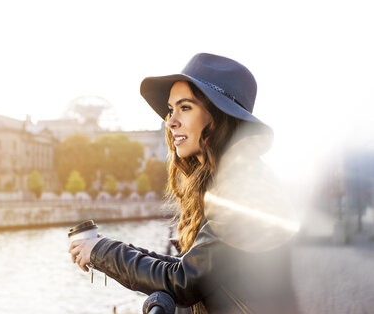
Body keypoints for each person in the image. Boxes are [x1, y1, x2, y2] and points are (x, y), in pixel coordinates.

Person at [69, 53, 300, 314]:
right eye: (171, 109)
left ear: (219, 116)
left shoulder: (246, 187)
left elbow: (184, 282)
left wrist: (103, 252)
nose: (170, 121)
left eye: (185, 107)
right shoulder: (230, 178)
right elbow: (192, 266)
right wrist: (105, 248)